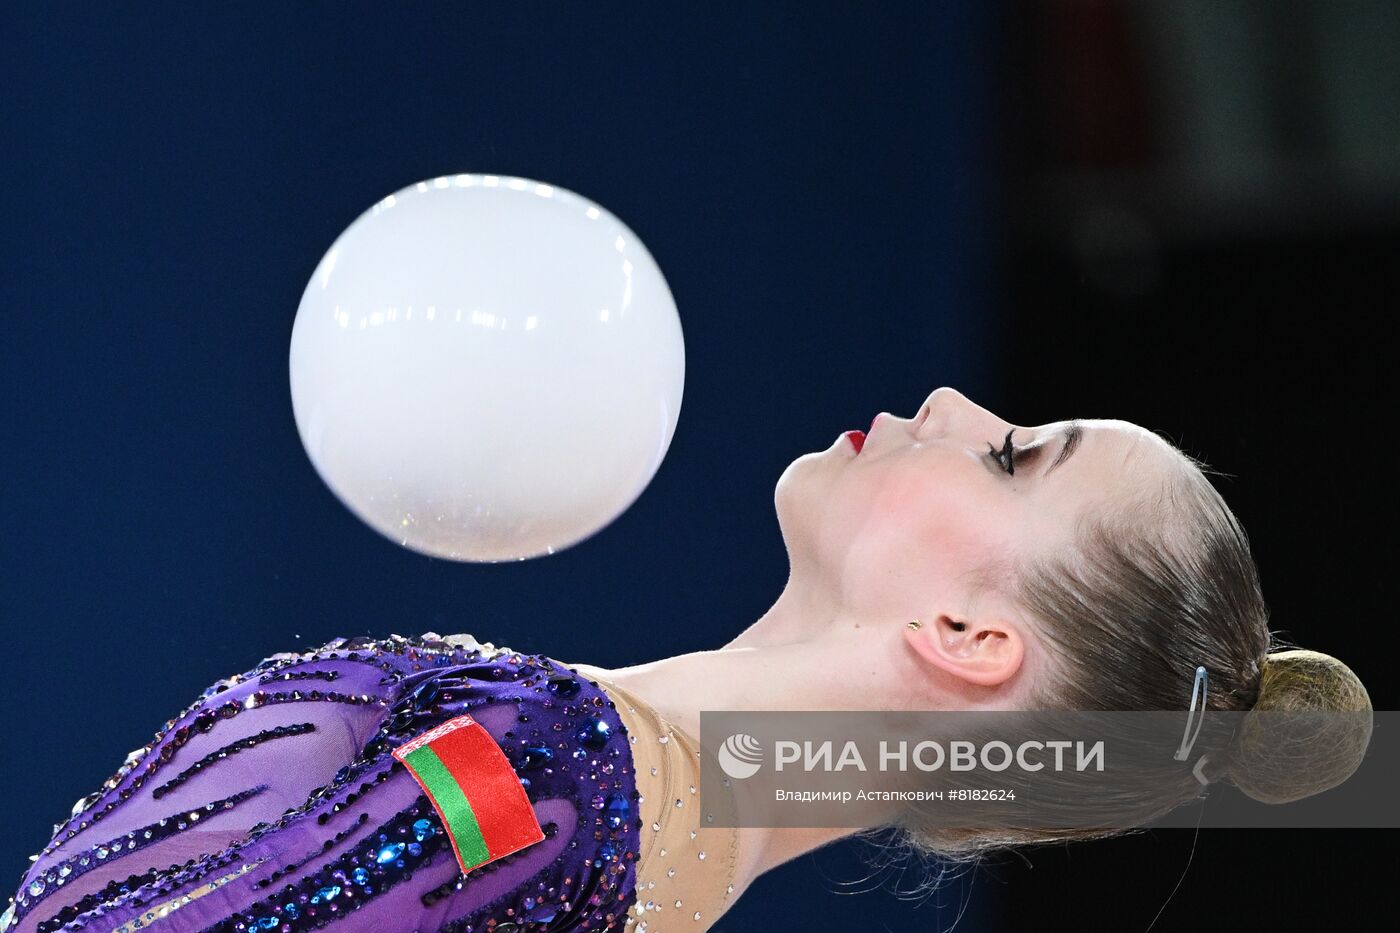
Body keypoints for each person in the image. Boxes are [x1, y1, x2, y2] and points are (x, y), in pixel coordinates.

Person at [3, 387, 1372, 933]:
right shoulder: (614, 810)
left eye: (1012, 454)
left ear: (968, 637)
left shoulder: (552, 790)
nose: (951, 406)